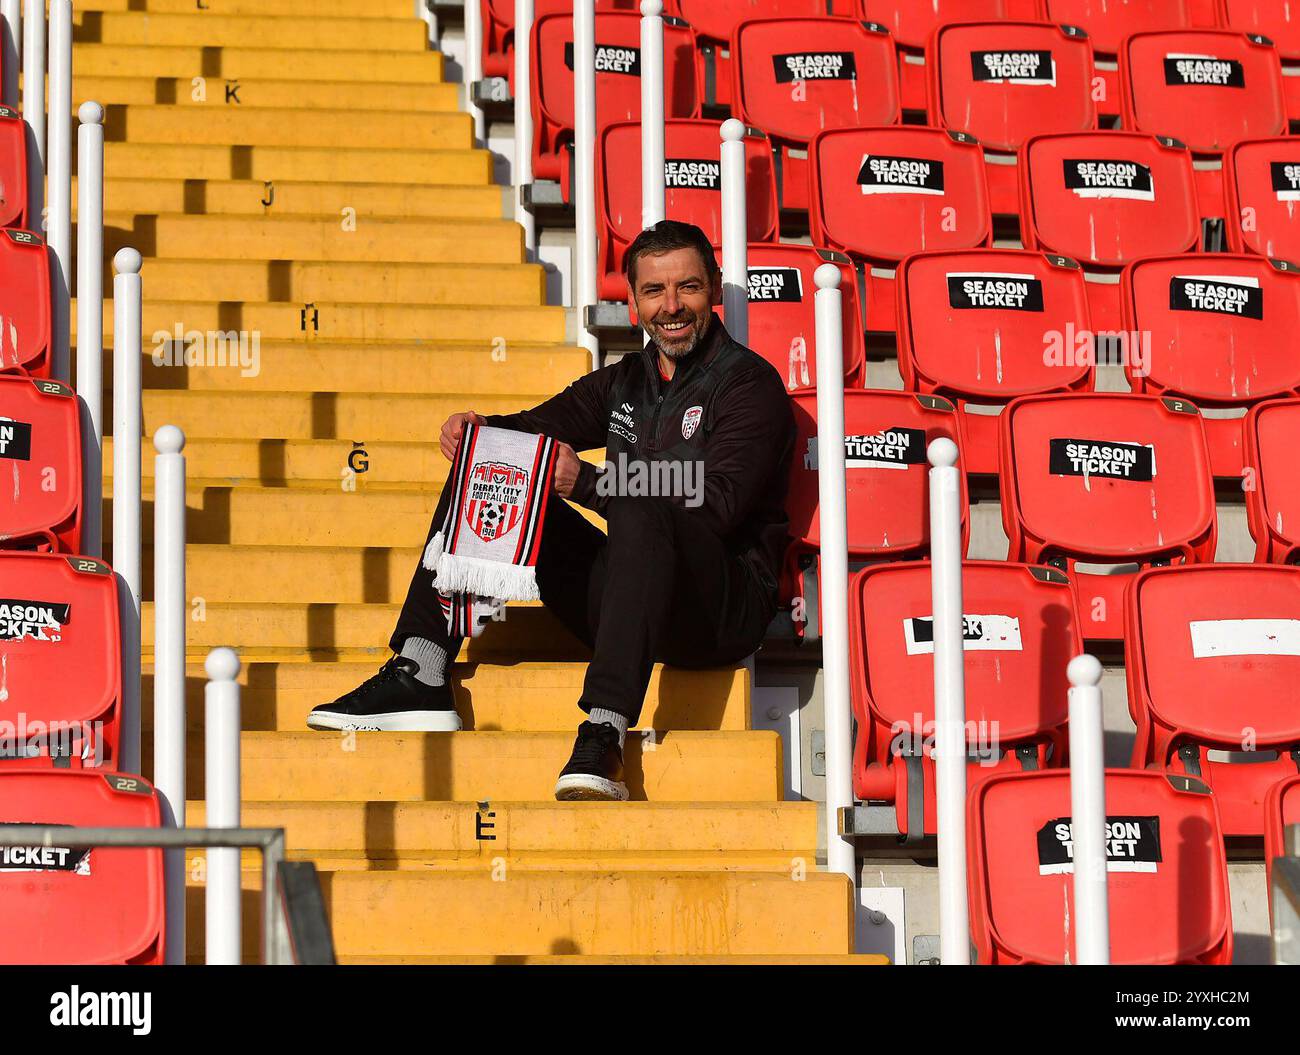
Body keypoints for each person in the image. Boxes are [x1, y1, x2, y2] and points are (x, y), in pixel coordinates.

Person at [307, 220, 796, 801]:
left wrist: (589, 482)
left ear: (714, 288)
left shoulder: (749, 386)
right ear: (632, 299)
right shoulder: (622, 382)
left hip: (717, 610)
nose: (672, 307)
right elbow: (535, 429)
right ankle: (422, 670)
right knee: (491, 461)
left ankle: (603, 729)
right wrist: (481, 431)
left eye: (687, 288)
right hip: (628, 602)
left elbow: (716, 502)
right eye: (654, 292)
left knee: (642, 503)